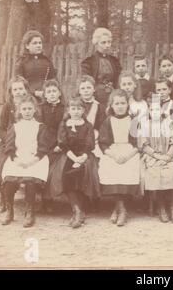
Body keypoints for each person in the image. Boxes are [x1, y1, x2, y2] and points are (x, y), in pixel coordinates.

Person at [0, 96, 53, 227]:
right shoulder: (15, 127)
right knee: (9, 180)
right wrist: (16, 159)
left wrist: (32, 162)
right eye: (24, 109)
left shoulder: (40, 127)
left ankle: (29, 211)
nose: (27, 111)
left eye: (30, 108)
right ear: (19, 110)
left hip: (36, 159)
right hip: (17, 157)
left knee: (30, 180)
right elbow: (10, 146)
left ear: (35, 110)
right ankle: (9, 210)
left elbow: (43, 148)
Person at [48, 97, 100, 228]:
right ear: (68, 110)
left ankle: (80, 210)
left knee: (82, 173)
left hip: (85, 155)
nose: (76, 112)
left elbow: (90, 144)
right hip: (69, 155)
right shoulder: (64, 124)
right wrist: (74, 158)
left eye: (79, 109)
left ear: (84, 110)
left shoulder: (88, 125)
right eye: (73, 109)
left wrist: (82, 157)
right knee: (65, 174)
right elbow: (63, 144)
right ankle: (77, 210)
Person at [98, 90, 140, 227]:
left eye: (123, 103)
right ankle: (122, 210)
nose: (120, 106)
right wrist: (114, 155)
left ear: (128, 105)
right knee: (110, 166)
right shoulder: (108, 121)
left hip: (130, 151)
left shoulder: (133, 121)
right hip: (113, 151)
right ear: (111, 105)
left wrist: (127, 156)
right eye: (117, 103)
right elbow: (103, 143)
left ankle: (118, 209)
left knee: (128, 167)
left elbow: (137, 143)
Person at [139, 99, 173, 224]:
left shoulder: (169, 123)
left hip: (168, 155)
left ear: (162, 110)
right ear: (149, 111)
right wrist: (157, 156)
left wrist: (168, 156)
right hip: (152, 157)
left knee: (170, 173)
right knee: (154, 173)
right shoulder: (145, 124)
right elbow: (144, 145)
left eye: (158, 109)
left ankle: (172, 208)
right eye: (152, 110)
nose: (155, 112)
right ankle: (161, 207)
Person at [0, 76, 29, 213]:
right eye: (15, 89)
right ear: (11, 92)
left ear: (26, 89)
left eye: (21, 88)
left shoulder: (32, 103)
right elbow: (2, 128)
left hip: (28, 140)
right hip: (9, 141)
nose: (19, 92)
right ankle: (4, 197)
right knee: (1, 162)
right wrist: (8, 141)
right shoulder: (8, 106)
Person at [37, 79, 65, 212]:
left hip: (59, 142)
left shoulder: (64, 108)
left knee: (55, 167)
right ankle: (45, 199)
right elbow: (40, 128)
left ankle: (50, 196)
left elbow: (65, 127)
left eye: (54, 91)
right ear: (45, 95)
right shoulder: (41, 108)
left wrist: (60, 143)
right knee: (43, 164)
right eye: (49, 92)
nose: (52, 94)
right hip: (45, 141)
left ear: (59, 93)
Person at [81, 27, 122, 105]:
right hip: (96, 96)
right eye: (103, 42)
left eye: (109, 42)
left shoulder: (114, 61)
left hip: (112, 94)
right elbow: (86, 81)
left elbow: (119, 80)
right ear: (96, 43)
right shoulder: (89, 61)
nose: (107, 45)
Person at [15, 30, 56, 101]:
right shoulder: (22, 62)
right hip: (28, 98)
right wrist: (34, 92)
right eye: (35, 43)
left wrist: (48, 92)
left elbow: (52, 80)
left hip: (46, 97)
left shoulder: (47, 61)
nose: (38, 45)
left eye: (40, 43)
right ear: (27, 46)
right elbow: (19, 83)